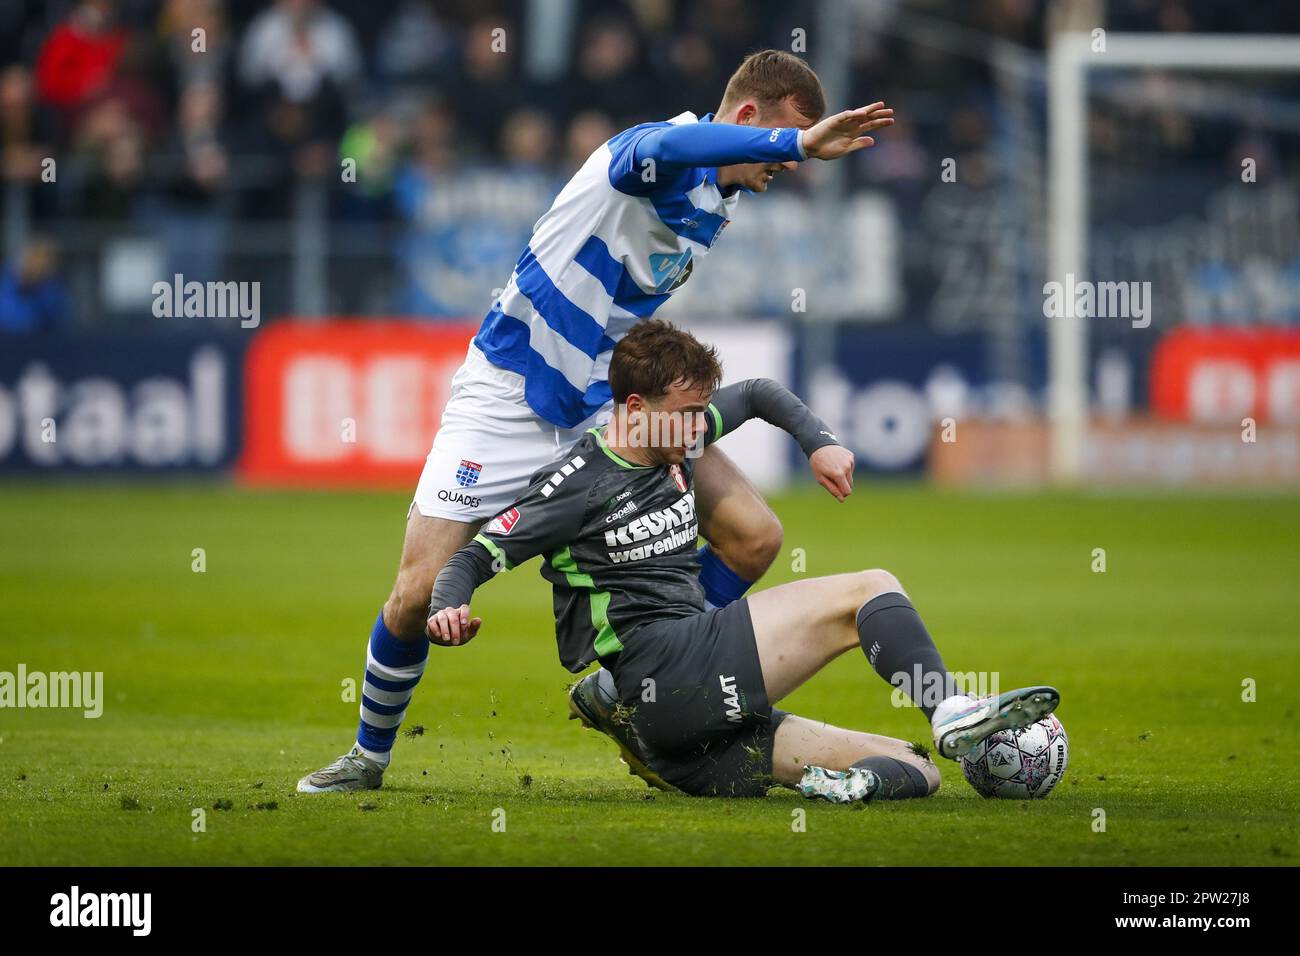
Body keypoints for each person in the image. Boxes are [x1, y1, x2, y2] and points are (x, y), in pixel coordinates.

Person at [300, 49, 893, 791]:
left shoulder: (722, 198)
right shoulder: (649, 156)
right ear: (748, 119)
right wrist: (795, 142)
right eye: (783, 142)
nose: (790, 166)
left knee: (754, 536)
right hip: (508, 397)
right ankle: (368, 756)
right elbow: (673, 146)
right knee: (418, 593)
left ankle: (644, 683)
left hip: (608, 412)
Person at [422, 322, 1060, 803]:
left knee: (917, 769)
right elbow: (473, 558)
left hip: (680, 735)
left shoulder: (673, 435)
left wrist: (819, 442)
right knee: (871, 588)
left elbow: (756, 393)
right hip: (664, 662)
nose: (699, 428)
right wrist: (448, 607)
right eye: (687, 415)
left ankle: (838, 786)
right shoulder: (573, 484)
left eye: (702, 411)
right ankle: (948, 708)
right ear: (635, 409)